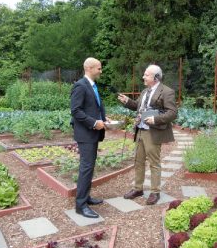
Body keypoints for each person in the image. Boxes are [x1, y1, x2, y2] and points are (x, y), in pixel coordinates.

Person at [118, 64, 177, 205]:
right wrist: (128, 102)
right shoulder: (145, 91)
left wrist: (156, 119)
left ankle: (155, 192)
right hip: (140, 130)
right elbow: (138, 107)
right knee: (138, 162)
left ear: (156, 77)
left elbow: (173, 113)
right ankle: (138, 189)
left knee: (154, 163)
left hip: (154, 131)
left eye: (146, 75)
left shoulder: (167, 91)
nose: (143, 77)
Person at [70, 57, 106, 218]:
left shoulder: (92, 85)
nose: (101, 71)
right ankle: (81, 205)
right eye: (98, 68)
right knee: (86, 168)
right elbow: (76, 111)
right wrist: (93, 123)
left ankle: (86, 197)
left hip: (92, 133)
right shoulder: (80, 86)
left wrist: (104, 120)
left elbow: (93, 108)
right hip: (86, 134)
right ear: (89, 68)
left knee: (89, 167)